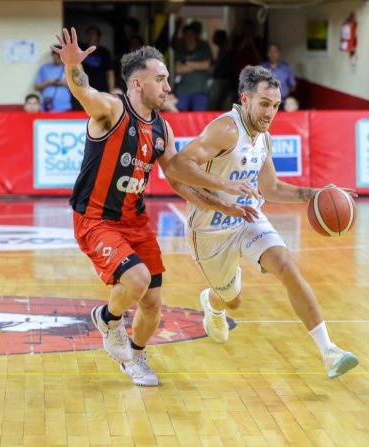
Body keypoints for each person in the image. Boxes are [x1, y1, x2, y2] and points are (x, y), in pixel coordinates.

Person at [51, 28, 249, 386]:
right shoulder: (112, 109)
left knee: (153, 302)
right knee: (137, 279)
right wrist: (72, 66)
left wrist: (223, 200)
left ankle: (136, 358)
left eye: (168, 79)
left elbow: (179, 178)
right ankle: (107, 318)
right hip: (96, 219)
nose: (168, 87)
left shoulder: (163, 130)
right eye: (160, 79)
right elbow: (84, 91)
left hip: (135, 220)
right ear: (137, 83)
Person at [164, 65, 360, 379]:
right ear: (245, 99)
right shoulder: (226, 129)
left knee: (288, 267)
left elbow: (272, 188)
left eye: (276, 105)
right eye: (264, 104)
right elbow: (177, 167)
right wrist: (225, 186)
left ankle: (330, 351)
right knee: (233, 300)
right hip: (211, 231)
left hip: (249, 218)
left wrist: (319, 194)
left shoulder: (264, 137)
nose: (270, 113)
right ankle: (213, 302)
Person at [172, 21, 212, 111]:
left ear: (195, 35)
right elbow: (178, 69)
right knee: (180, 115)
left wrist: (186, 62)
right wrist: (198, 66)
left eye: (191, 35)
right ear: (183, 36)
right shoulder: (180, 49)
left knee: (200, 116)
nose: (189, 37)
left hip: (200, 90)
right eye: (186, 35)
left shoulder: (203, 46)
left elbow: (206, 65)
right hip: (182, 90)